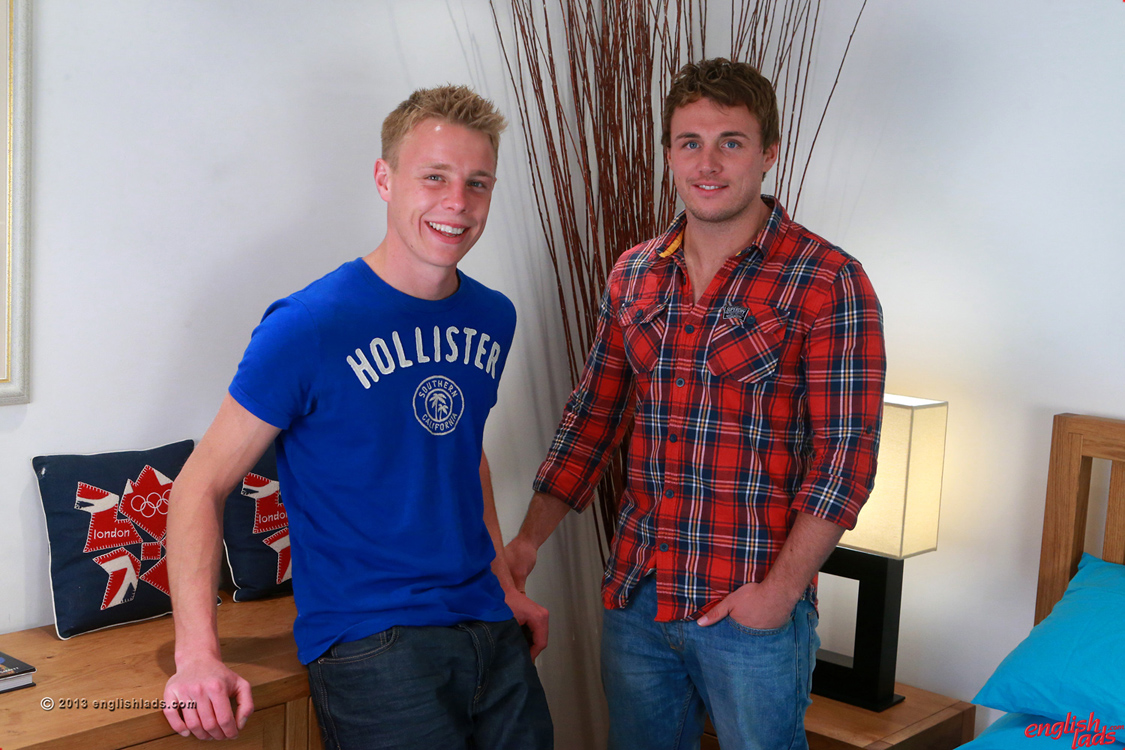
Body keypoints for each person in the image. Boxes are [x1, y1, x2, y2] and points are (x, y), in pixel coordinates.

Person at [505, 58, 886, 750]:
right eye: (690, 143)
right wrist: (527, 542)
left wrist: (778, 596)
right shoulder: (634, 273)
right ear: (669, 155)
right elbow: (590, 421)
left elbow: (845, 462)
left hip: (750, 607)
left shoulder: (828, 281)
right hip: (638, 599)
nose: (707, 164)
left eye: (730, 142)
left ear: (768, 153)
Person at [162, 85, 553, 750]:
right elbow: (200, 485)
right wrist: (196, 654)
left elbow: (464, 454)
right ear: (384, 179)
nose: (457, 202)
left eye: (477, 183)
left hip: (489, 627)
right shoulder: (309, 325)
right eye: (434, 177)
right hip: (374, 643)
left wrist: (502, 581)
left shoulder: (493, 316)